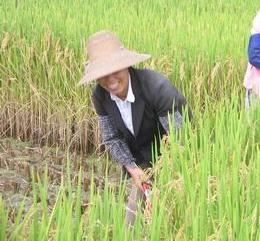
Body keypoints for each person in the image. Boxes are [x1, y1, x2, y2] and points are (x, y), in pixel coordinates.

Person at [78, 30, 191, 226]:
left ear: (127, 65)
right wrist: (134, 171)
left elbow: (181, 141)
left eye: (115, 69)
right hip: (140, 165)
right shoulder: (100, 96)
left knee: (169, 221)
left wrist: (163, 186)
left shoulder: (157, 88)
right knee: (132, 224)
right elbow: (112, 138)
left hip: (176, 162)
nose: (110, 79)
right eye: (102, 74)